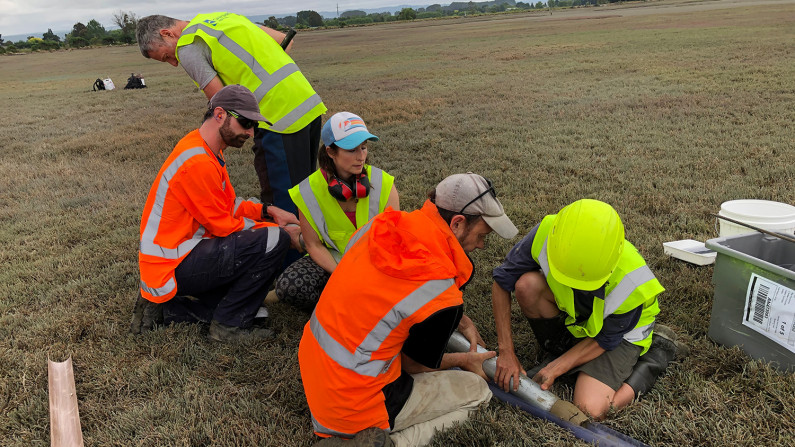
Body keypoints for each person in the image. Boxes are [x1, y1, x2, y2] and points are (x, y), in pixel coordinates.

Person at [299, 173, 519, 447]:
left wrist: (462, 322)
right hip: (354, 407)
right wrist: (464, 360)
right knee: (477, 392)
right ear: (458, 223)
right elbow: (414, 364)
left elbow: (389, 294)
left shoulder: (380, 226)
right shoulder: (440, 289)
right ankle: (388, 443)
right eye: (482, 235)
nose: (482, 245)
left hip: (315, 371)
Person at [131, 85, 302, 342]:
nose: (250, 132)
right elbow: (224, 226)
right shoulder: (197, 162)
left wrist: (267, 210)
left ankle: (169, 309)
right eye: (245, 122)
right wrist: (281, 233)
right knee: (273, 240)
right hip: (174, 262)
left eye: (253, 125)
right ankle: (227, 327)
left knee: (257, 311)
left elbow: (227, 205)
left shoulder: (204, 149)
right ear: (220, 114)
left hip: (177, 257)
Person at [491, 199, 685, 419]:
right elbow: (502, 281)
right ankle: (565, 351)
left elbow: (605, 340)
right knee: (527, 286)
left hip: (620, 335)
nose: (575, 286)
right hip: (582, 320)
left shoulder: (631, 280)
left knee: (591, 409)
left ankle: (658, 354)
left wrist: (555, 369)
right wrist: (506, 351)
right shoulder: (547, 233)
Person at [136, 13, 327, 214]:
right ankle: (311, 241)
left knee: (282, 205)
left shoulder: (187, 46)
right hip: (307, 102)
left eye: (166, 56)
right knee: (304, 192)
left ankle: (291, 244)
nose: (174, 63)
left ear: (167, 34)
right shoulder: (221, 18)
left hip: (276, 116)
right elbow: (284, 41)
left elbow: (222, 101)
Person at [271, 112, 399, 312]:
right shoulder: (308, 191)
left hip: (376, 261)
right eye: (351, 149)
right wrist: (343, 275)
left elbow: (393, 242)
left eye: (364, 147)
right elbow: (313, 245)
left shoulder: (384, 183)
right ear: (330, 152)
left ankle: (353, 300)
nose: (360, 156)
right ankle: (340, 303)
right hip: (332, 262)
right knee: (290, 286)